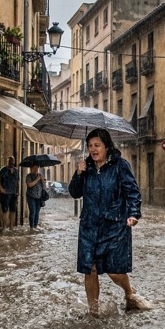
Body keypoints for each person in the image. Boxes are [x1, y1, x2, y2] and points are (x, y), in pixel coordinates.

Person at [69, 128, 149, 316]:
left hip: (115, 225)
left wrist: (134, 214)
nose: (93, 149)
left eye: (97, 145)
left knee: (114, 271)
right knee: (90, 270)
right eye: (90, 145)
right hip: (89, 226)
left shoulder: (120, 165)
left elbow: (132, 192)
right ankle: (93, 312)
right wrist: (78, 174)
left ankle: (129, 292)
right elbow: (74, 193)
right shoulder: (86, 167)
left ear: (106, 146)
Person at [0, 156, 19, 230]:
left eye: (12, 161)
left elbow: (17, 182)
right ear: (7, 162)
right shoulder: (3, 169)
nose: (11, 162)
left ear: (14, 162)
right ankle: (4, 227)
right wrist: (1, 189)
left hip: (13, 193)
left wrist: (17, 191)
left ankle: (11, 227)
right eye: (10, 161)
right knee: (5, 210)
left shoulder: (16, 171)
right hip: (5, 194)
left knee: (13, 210)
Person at [25, 164, 46, 230]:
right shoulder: (28, 176)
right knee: (32, 212)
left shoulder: (40, 175)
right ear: (31, 168)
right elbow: (29, 185)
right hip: (31, 197)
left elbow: (44, 187)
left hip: (39, 197)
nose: (36, 169)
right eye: (34, 168)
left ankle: (35, 227)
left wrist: (42, 181)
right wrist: (37, 179)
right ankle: (31, 228)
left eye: (37, 168)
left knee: (37, 213)